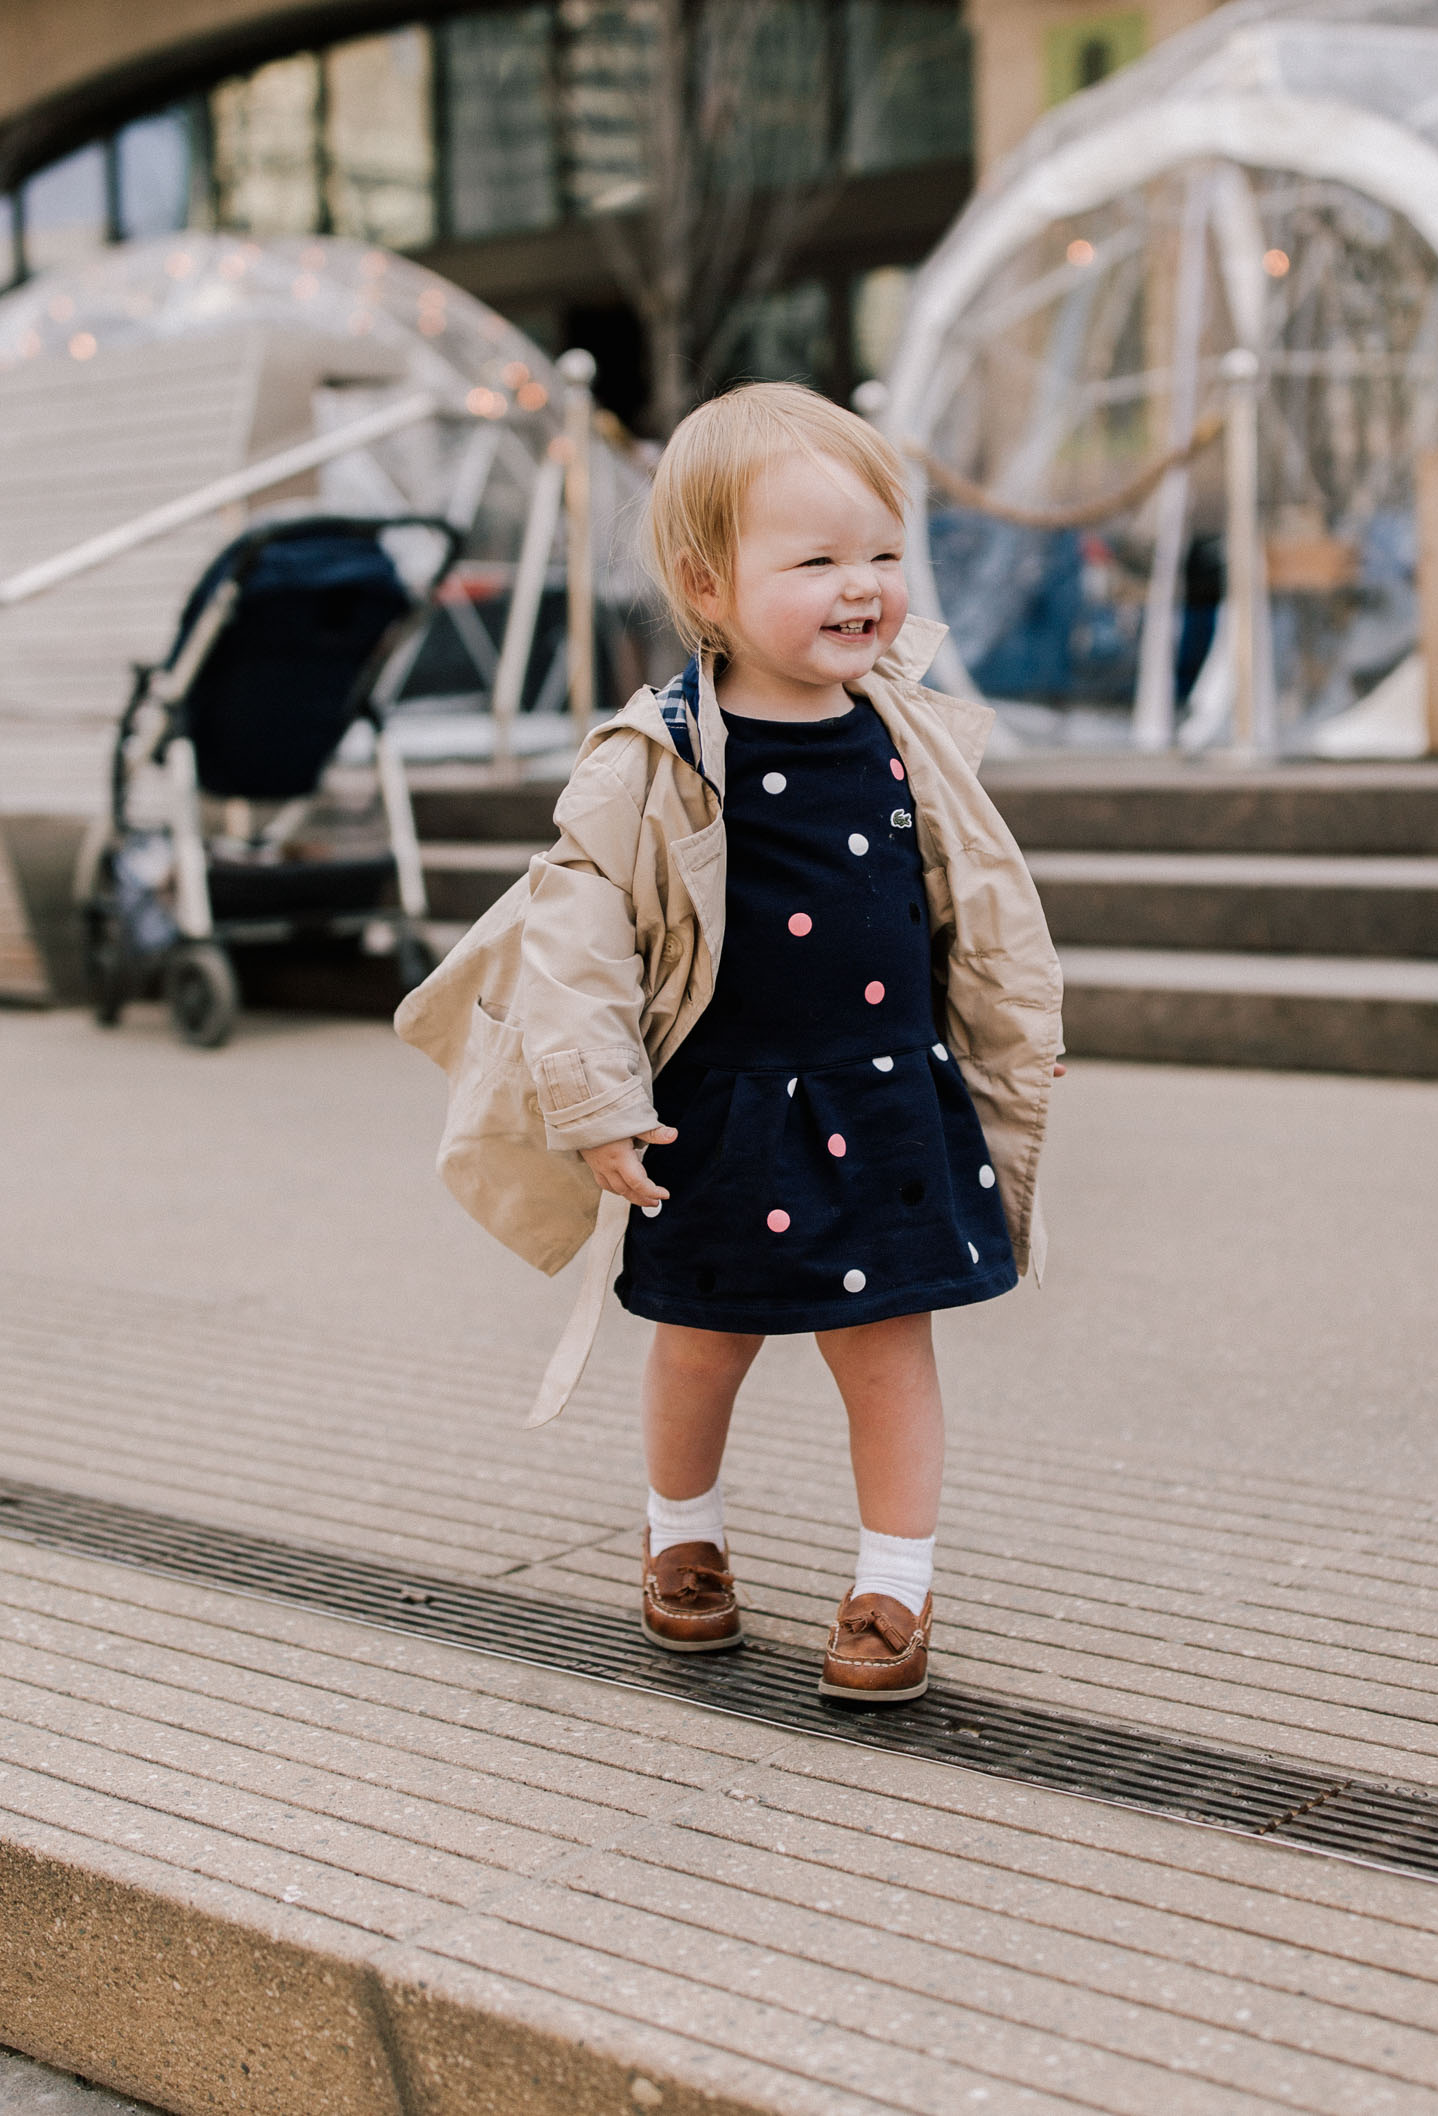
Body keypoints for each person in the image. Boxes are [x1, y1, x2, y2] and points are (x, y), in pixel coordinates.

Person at [396, 382, 1062, 1704]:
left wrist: (1012, 1044)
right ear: (709, 586)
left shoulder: (906, 734)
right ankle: (682, 1534)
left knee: (888, 1350)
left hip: (883, 1104)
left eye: (880, 552)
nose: (862, 587)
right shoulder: (650, 763)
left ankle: (894, 1583)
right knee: (701, 1339)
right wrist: (595, 1102)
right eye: (816, 561)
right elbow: (573, 947)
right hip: (722, 1110)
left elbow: (980, 908)